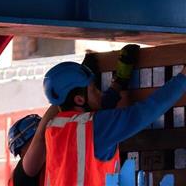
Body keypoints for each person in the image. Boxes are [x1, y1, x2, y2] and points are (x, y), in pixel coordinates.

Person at [8, 45, 139, 186]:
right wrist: (74, 86)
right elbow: (41, 135)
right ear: (22, 151)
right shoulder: (21, 179)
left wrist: (118, 83)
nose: (51, 139)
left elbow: (103, 116)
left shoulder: (62, 153)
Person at [43, 57, 186, 186]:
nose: (100, 93)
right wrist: (183, 78)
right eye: (94, 89)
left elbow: (100, 115)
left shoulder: (53, 128)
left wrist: (118, 83)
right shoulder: (93, 127)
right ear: (79, 99)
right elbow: (146, 111)